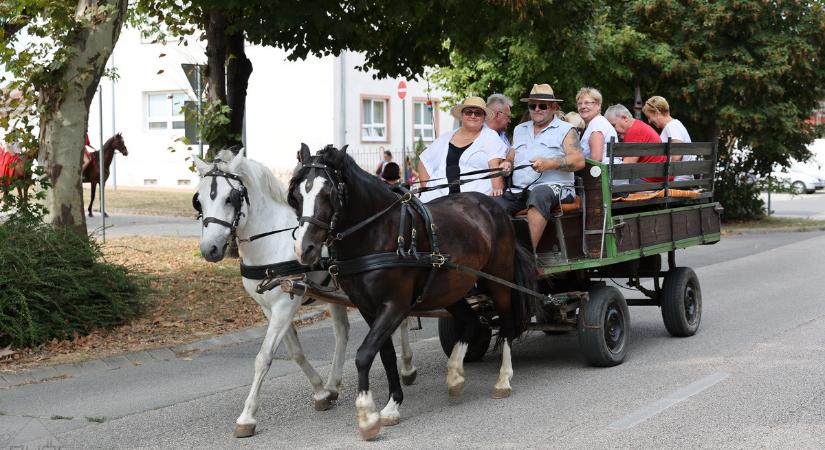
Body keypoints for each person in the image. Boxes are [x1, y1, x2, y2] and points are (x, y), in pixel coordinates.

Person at [495, 83, 585, 250]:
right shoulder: (519, 129)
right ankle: (500, 255)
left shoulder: (566, 129)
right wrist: (507, 162)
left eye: (542, 105)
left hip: (557, 189)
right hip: (519, 190)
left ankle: (527, 256)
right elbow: (513, 153)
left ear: (553, 107)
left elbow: (579, 161)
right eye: (532, 105)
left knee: (539, 194)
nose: (536, 109)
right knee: (492, 204)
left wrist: (550, 163)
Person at [417, 96, 507, 201]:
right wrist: (427, 190)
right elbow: (424, 162)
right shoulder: (445, 137)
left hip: (472, 201)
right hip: (438, 198)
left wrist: (497, 191)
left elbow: (495, 167)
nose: (473, 116)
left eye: (478, 113)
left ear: (484, 117)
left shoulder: (490, 136)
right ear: (462, 115)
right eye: (469, 112)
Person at [604, 104, 668, 183]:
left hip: (650, 181)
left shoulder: (634, 131)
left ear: (625, 118)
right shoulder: (638, 126)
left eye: (614, 125)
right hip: (658, 178)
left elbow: (626, 167)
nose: (613, 130)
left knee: (608, 182)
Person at [643, 95, 694, 181]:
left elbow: (677, 156)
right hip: (679, 177)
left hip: (677, 179)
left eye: (649, 117)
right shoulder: (674, 125)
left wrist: (664, 175)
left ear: (657, 112)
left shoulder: (672, 126)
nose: (649, 121)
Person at [576, 87, 618, 163]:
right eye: (579, 103)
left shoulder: (597, 124)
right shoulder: (596, 123)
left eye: (587, 103)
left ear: (598, 105)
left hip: (604, 173)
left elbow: (596, 159)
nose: (582, 106)